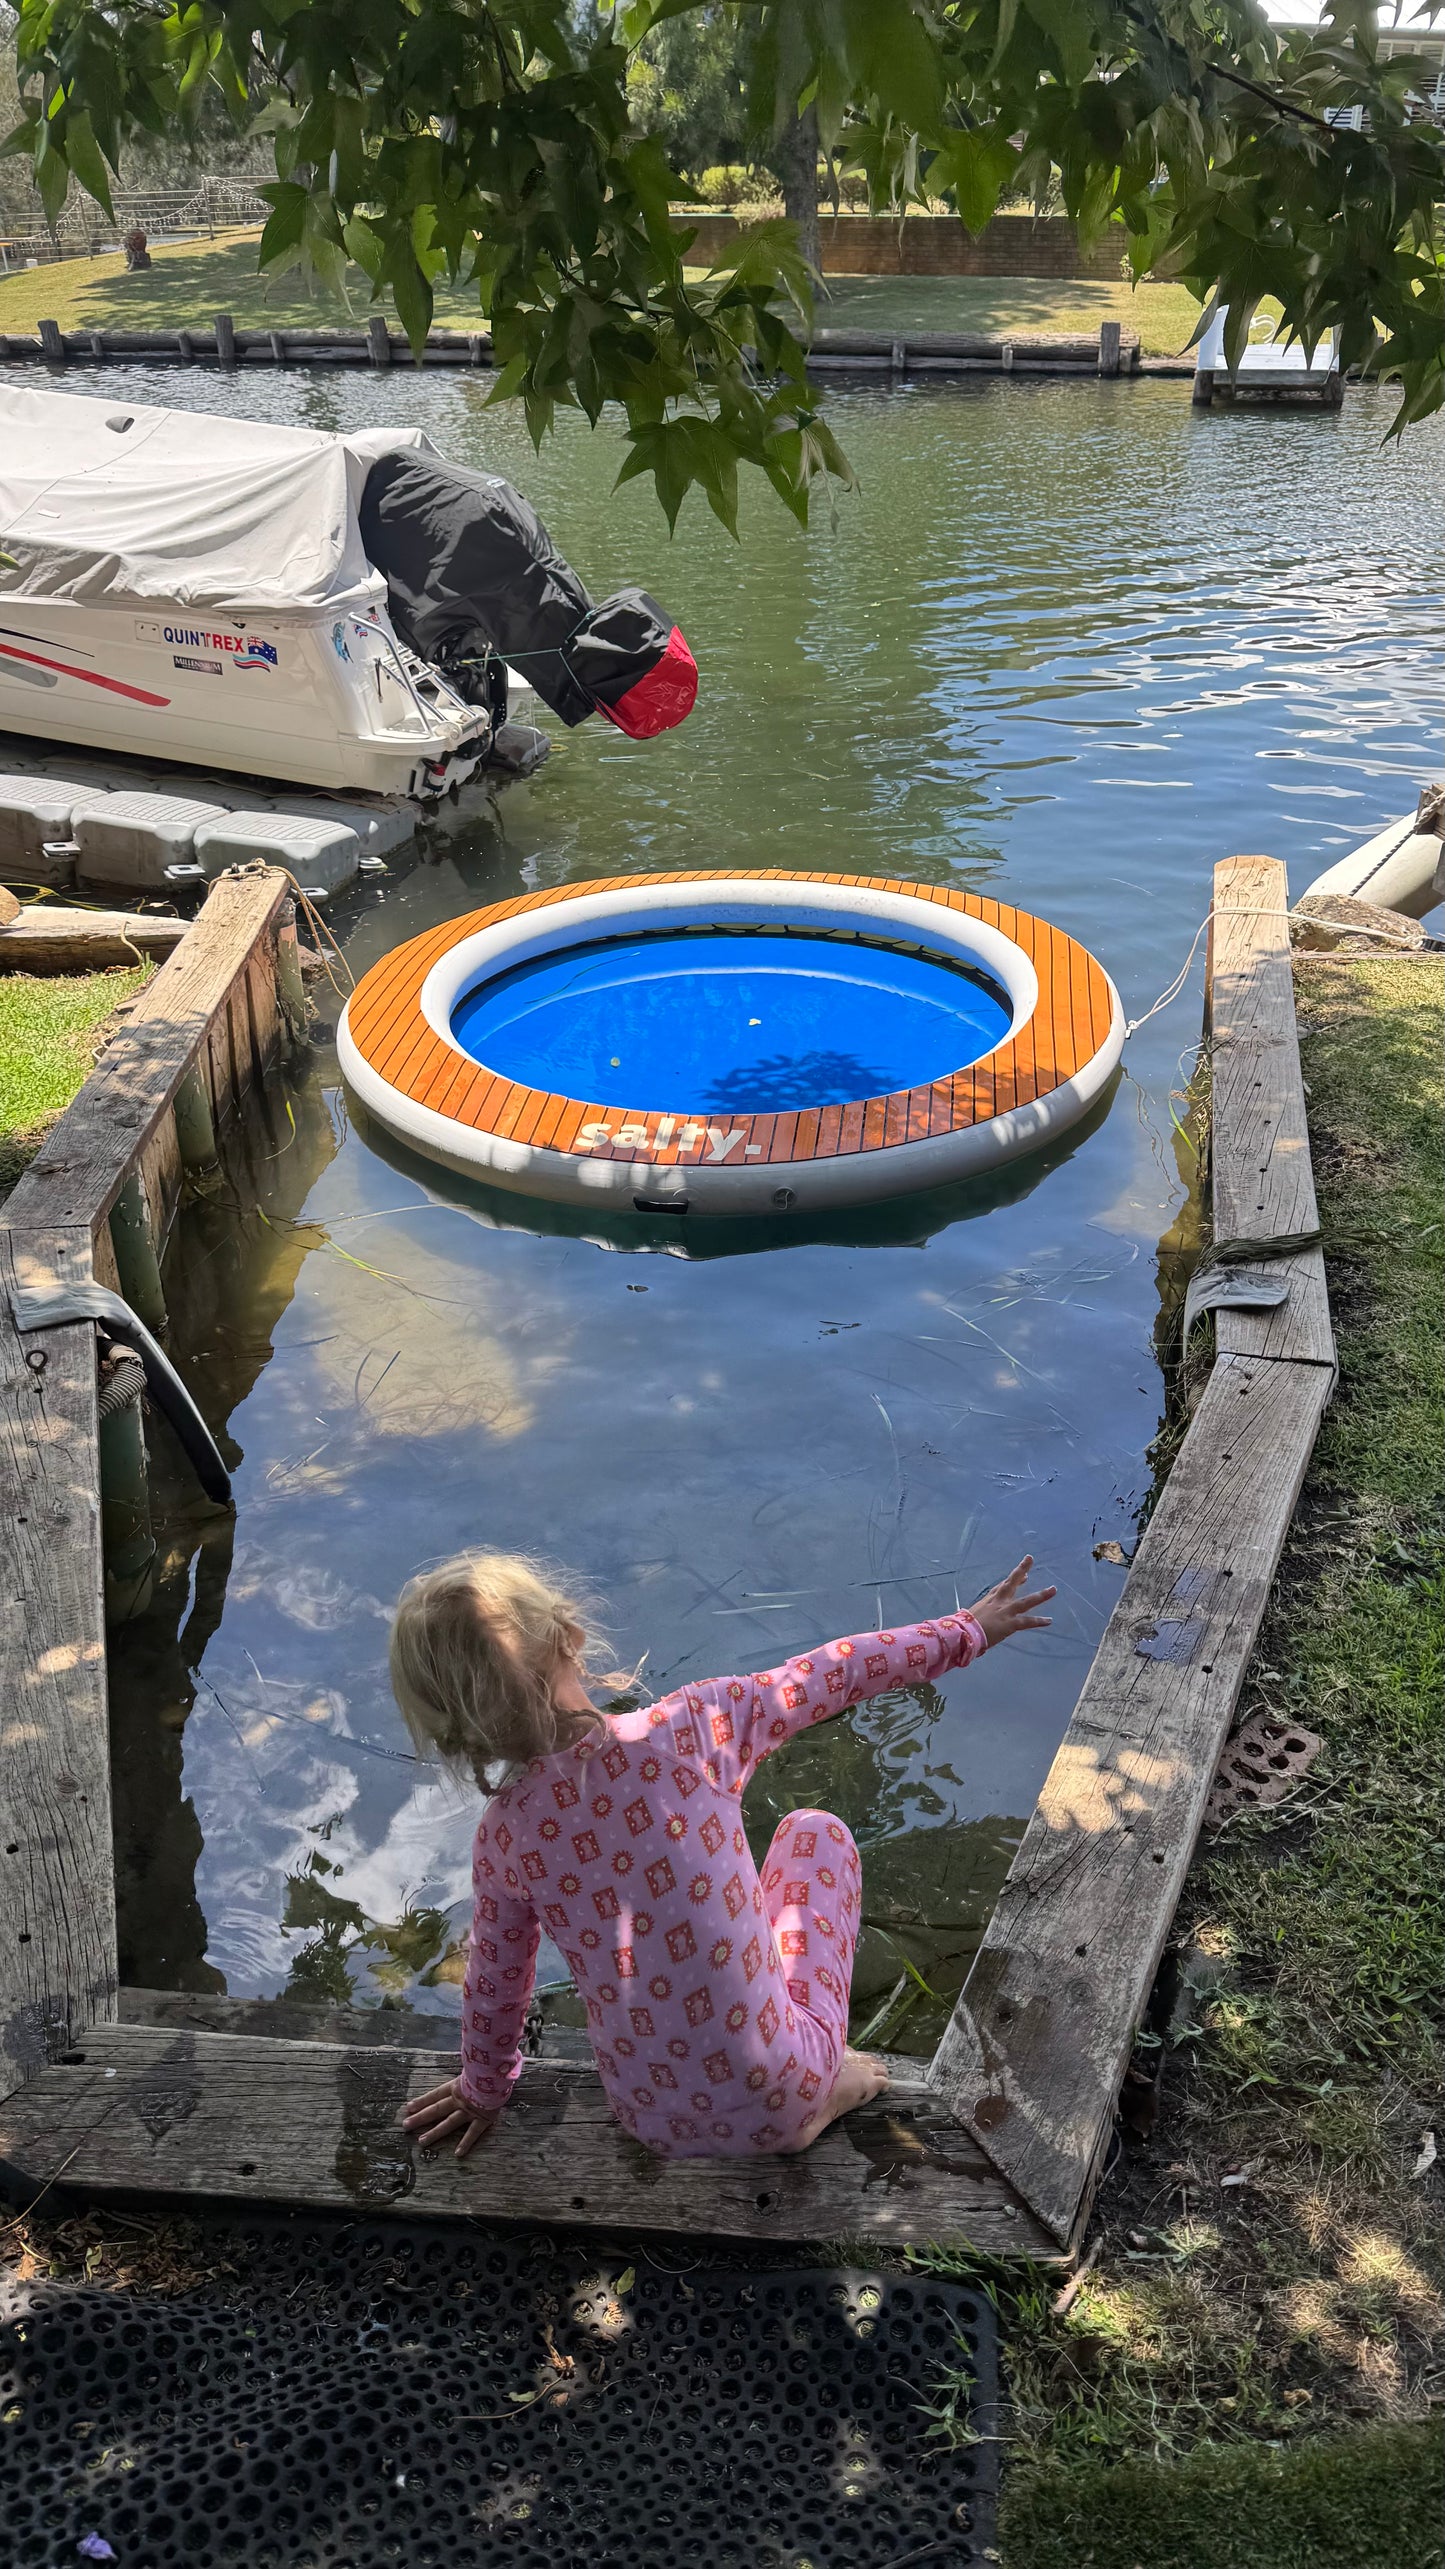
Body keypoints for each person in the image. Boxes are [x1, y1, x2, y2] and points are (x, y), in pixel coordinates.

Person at [391, 1551, 1054, 2162]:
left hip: (649, 2118)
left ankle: (787, 2080)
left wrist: (482, 2091)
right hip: (784, 2094)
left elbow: (495, 1980)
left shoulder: (503, 1839)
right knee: (813, 1832)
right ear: (570, 1634)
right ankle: (826, 2091)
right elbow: (835, 1670)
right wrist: (967, 1630)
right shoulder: (691, 1728)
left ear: (455, 1732)